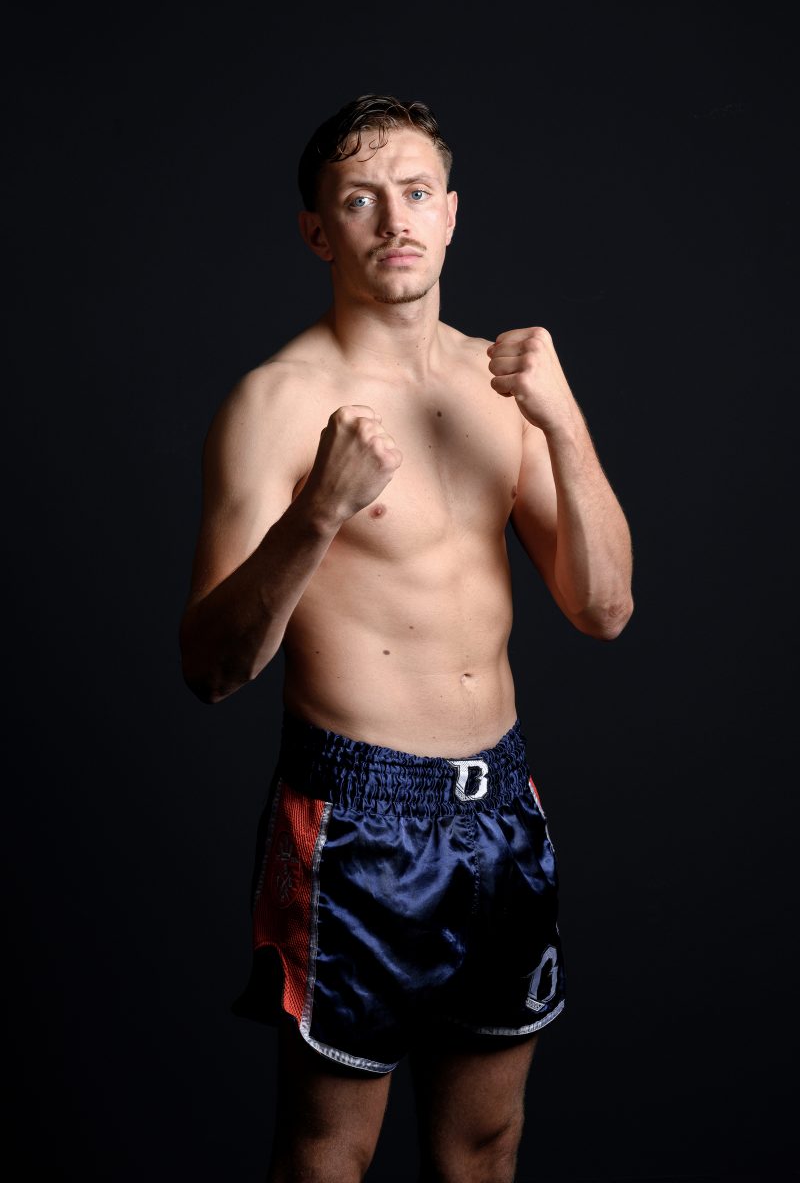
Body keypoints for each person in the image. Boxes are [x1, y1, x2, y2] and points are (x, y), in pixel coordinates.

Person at [179, 93, 634, 1183]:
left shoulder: (504, 386)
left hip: (502, 808)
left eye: (416, 192)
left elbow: (602, 609)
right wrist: (316, 515)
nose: (394, 217)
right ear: (317, 230)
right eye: (359, 198)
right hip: (354, 823)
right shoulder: (276, 405)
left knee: (486, 1143)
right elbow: (210, 669)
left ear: (451, 213)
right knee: (331, 1150)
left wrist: (563, 426)